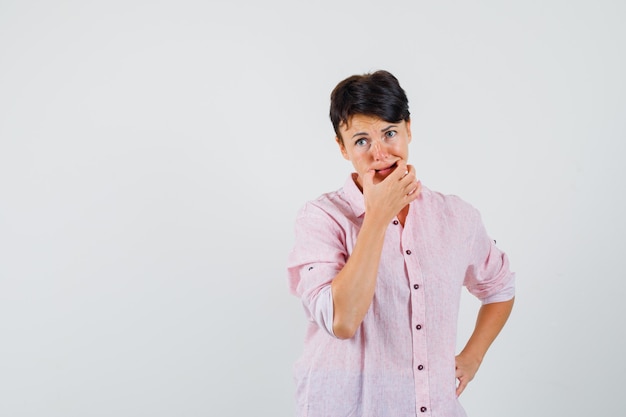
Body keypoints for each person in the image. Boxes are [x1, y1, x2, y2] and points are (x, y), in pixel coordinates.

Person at [286, 70, 515, 417]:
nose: (379, 152)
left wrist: (473, 356)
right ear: (342, 147)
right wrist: (378, 216)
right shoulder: (321, 218)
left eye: (389, 133)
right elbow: (341, 321)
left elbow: (499, 286)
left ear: (409, 129)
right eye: (361, 140)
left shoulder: (456, 216)